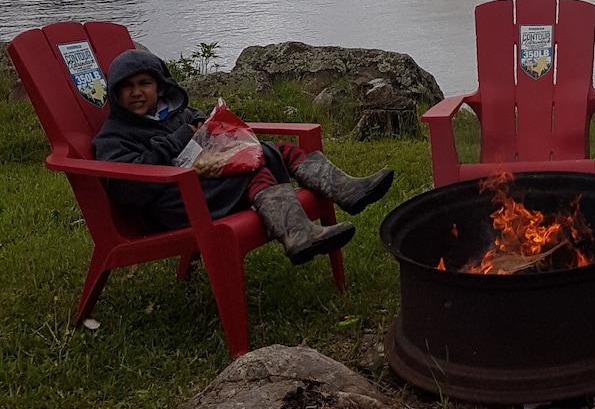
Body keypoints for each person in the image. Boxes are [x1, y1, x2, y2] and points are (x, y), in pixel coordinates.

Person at [93, 49, 394, 264]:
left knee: (272, 151)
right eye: (127, 87)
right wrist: (178, 139)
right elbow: (126, 187)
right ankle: (298, 234)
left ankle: (346, 190)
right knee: (257, 163)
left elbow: (195, 120)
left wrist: (204, 125)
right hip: (170, 206)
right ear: (115, 95)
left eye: (144, 84)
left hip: (199, 190)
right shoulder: (114, 136)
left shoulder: (172, 112)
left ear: (159, 87)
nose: (136, 93)